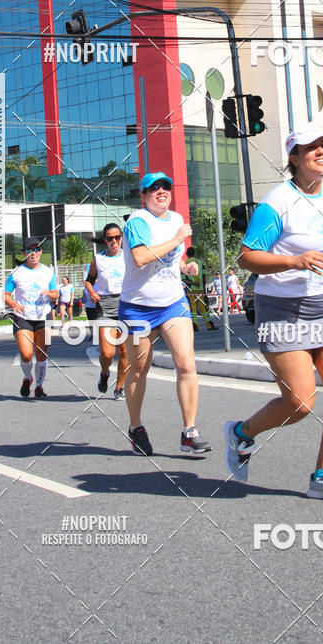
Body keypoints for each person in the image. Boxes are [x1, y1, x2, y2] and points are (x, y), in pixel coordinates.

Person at [224, 124, 323, 502]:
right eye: (310, 147)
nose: (321, 151)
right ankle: (241, 433)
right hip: (282, 312)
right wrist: (294, 261)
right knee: (301, 402)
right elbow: (246, 257)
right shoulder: (277, 202)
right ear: (293, 157)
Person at [118, 171, 211, 457]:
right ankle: (136, 428)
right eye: (154, 187)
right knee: (138, 370)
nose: (161, 191)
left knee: (186, 364)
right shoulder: (138, 222)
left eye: (166, 186)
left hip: (172, 302)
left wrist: (186, 267)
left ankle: (190, 431)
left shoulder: (175, 221)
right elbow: (142, 257)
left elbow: (174, 258)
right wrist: (177, 238)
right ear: (144, 196)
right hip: (137, 306)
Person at [4, 237, 58, 398]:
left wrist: (50, 294)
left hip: (44, 316)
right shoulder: (16, 273)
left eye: (36, 249)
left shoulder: (48, 272)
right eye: (29, 250)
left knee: (42, 353)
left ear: (41, 252)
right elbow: (6, 295)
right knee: (26, 354)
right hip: (23, 317)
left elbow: (55, 293)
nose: (33, 253)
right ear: (24, 253)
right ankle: (28, 378)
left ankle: (39, 387)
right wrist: (13, 304)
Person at [85, 223, 129, 400]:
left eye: (117, 237)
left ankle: (119, 388)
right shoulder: (98, 259)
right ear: (105, 240)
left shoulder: (129, 256)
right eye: (110, 238)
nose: (114, 241)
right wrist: (92, 292)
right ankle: (104, 373)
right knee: (107, 352)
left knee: (125, 351)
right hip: (105, 305)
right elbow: (88, 281)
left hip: (126, 304)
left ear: (121, 238)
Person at [184, 247, 216, 332]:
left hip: (190, 290)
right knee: (203, 308)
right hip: (200, 290)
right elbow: (204, 276)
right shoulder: (201, 263)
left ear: (187, 254)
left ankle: (195, 326)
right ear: (194, 254)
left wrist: (192, 283)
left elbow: (183, 279)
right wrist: (203, 287)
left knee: (193, 309)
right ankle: (209, 325)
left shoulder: (184, 265)